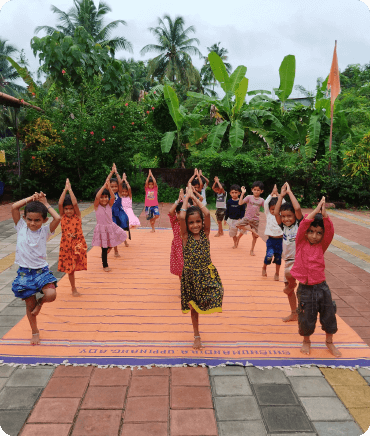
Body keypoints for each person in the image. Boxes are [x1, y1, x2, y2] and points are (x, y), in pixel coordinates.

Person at [290, 197, 341, 357]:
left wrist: (324, 213)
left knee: (329, 314)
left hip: (322, 286)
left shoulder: (322, 245)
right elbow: (304, 224)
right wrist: (317, 208)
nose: (314, 236)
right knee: (306, 315)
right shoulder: (300, 242)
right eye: (311, 232)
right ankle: (306, 341)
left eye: (319, 233)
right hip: (305, 288)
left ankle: (329, 342)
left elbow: (330, 230)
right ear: (305, 232)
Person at [11, 191, 60, 345]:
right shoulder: (20, 227)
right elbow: (13, 207)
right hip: (25, 273)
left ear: (44, 220)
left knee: (51, 294)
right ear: (24, 218)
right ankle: (35, 332)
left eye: (37, 220)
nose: (33, 223)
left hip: (41, 271)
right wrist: (30, 199)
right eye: (29, 219)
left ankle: (41, 303)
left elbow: (57, 218)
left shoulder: (45, 231)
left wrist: (45, 204)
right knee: (29, 305)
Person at [180, 184, 224, 350]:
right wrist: (186, 199)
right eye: (191, 223)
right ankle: (196, 335)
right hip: (191, 276)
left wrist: (195, 198)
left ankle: (204, 314)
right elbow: (181, 217)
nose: (195, 225)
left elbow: (206, 213)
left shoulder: (205, 234)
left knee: (217, 292)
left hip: (206, 273)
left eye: (198, 222)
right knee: (193, 307)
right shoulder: (185, 237)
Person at [274, 182, 303, 322]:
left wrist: (289, 193)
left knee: (302, 289)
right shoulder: (283, 227)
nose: (286, 219)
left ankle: (304, 312)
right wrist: (281, 195)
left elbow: (297, 208)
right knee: (288, 289)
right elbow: (275, 212)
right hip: (289, 261)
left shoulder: (298, 224)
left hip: (300, 261)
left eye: (289, 216)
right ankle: (294, 313)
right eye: (283, 216)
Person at [92, 170, 127, 271]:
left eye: (105, 197)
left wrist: (109, 188)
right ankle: (105, 265)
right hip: (102, 228)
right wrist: (104, 187)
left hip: (111, 226)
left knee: (121, 235)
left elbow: (112, 196)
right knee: (104, 248)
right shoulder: (96, 206)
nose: (103, 199)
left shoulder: (109, 204)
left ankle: (110, 248)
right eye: (102, 198)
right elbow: (97, 197)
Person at [58, 178, 87, 297]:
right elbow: (60, 203)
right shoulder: (62, 217)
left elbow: (75, 203)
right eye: (66, 209)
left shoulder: (78, 216)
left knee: (77, 265)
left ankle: (74, 287)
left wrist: (70, 190)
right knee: (70, 269)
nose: (68, 211)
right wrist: (65, 190)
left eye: (70, 209)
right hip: (66, 246)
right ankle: (73, 288)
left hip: (78, 244)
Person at [262, 184, 284, 281]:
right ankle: (264, 267)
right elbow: (266, 203)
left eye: (276, 209)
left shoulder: (281, 216)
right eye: (272, 209)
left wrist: (279, 195)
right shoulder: (268, 214)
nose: (274, 211)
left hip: (280, 241)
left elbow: (283, 203)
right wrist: (272, 194)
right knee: (269, 255)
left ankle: (277, 273)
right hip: (271, 240)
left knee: (278, 258)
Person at [237, 181, 264, 255]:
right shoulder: (249, 197)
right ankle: (250, 230)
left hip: (255, 220)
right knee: (237, 225)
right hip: (247, 218)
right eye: (254, 189)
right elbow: (240, 203)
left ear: (261, 191)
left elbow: (267, 209)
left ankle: (252, 250)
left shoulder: (262, 200)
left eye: (258, 190)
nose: (256, 191)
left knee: (255, 236)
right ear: (252, 190)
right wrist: (242, 193)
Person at [110, 163, 130, 255]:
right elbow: (106, 182)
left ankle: (124, 240)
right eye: (112, 186)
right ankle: (116, 250)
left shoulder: (119, 193)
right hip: (111, 215)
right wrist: (111, 172)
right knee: (113, 232)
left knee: (122, 229)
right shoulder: (108, 194)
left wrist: (116, 172)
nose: (114, 188)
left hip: (119, 213)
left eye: (115, 186)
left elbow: (120, 183)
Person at [168, 189, 185, 290]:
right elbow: (171, 212)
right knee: (180, 269)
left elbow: (192, 210)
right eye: (178, 213)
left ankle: (186, 288)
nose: (180, 215)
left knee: (186, 269)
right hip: (177, 248)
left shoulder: (189, 222)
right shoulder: (174, 222)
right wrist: (178, 200)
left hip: (187, 249)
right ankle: (182, 287)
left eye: (183, 213)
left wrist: (185, 200)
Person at [224, 184, 246, 248]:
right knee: (233, 233)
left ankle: (238, 237)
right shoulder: (229, 201)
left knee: (244, 229)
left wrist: (241, 218)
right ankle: (235, 243)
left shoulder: (241, 201)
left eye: (236, 192)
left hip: (239, 220)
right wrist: (225, 219)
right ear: (230, 193)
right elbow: (227, 210)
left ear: (239, 193)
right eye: (232, 192)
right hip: (232, 220)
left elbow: (243, 211)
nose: (234, 194)